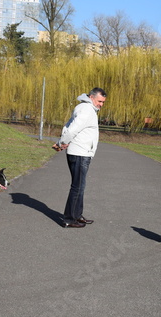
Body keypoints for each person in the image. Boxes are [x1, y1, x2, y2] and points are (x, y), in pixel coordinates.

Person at [53, 87, 107, 228]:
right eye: (99, 101)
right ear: (91, 97)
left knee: (80, 186)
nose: (101, 104)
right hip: (80, 153)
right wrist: (62, 143)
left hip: (82, 152)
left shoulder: (85, 108)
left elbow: (68, 126)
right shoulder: (86, 109)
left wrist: (62, 142)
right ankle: (69, 219)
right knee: (77, 186)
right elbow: (72, 129)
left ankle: (77, 215)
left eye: (103, 102)